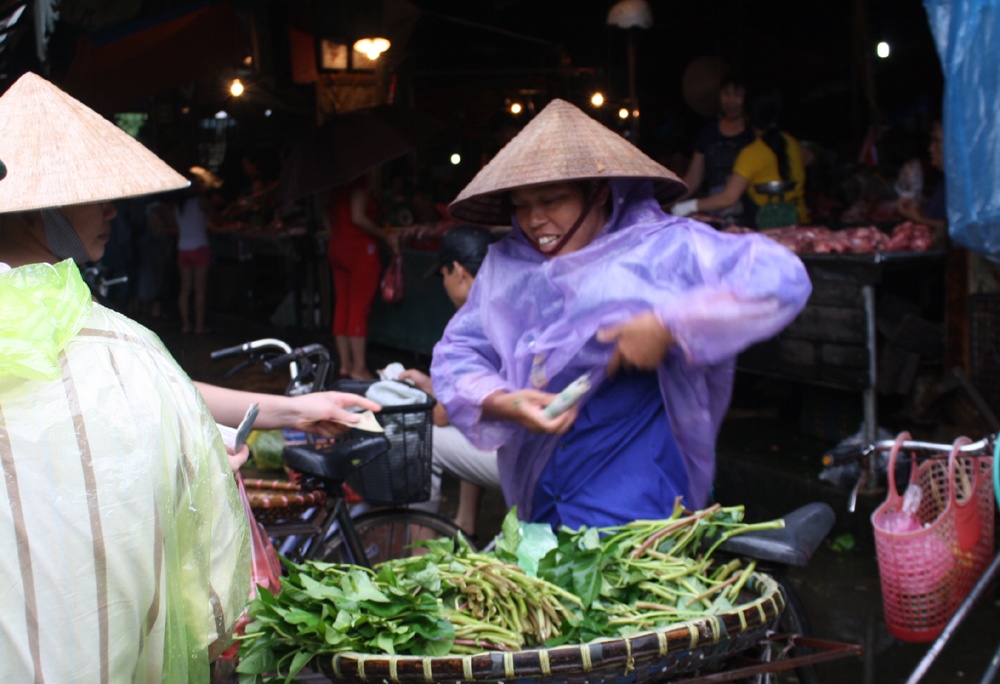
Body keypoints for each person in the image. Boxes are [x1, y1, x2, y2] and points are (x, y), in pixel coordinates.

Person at [0, 72, 380, 682]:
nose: (111, 209)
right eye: (91, 192)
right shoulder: (111, 342)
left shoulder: (103, 339)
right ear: (32, 211)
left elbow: (159, 389)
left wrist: (292, 409)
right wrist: (189, 469)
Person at [430, 98, 811, 530]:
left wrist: (671, 324)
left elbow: (782, 277)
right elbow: (458, 351)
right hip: (540, 495)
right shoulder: (509, 267)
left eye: (551, 200)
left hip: (633, 500)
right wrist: (504, 400)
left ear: (599, 192)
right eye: (521, 205)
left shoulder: (663, 247)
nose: (535, 220)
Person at [397, 225, 501, 538]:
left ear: (457, 270)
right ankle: (465, 522)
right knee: (471, 420)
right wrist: (431, 384)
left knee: (419, 438)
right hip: (540, 437)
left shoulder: (471, 321)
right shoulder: (505, 299)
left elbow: (442, 416)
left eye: (443, 275)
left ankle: (416, 556)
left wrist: (407, 399)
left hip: (523, 452)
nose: (444, 285)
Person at [671, 86, 810, 229]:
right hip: (799, 225)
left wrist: (688, 206)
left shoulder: (751, 154)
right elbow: (810, 158)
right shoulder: (793, 144)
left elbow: (729, 198)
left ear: (747, 116)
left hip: (770, 229)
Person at [326, 172, 399, 380]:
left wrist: (338, 234)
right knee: (358, 307)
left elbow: (326, 212)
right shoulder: (360, 180)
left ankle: (345, 365)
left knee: (343, 304)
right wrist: (383, 235)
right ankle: (359, 368)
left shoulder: (334, 183)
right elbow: (358, 216)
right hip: (358, 249)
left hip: (337, 245)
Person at [676, 71, 754, 211]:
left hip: (748, 209)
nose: (731, 101)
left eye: (738, 95)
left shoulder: (754, 133)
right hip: (714, 209)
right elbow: (693, 179)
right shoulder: (708, 133)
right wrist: (667, 201)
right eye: (726, 94)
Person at [175, 165, 222, 334]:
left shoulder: (178, 204)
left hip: (183, 249)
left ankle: (186, 325)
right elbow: (217, 217)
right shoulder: (201, 201)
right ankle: (199, 326)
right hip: (200, 247)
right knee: (200, 290)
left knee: (185, 289)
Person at [895, 119, 947, 237]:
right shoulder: (944, 184)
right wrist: (915, 207)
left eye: (937, 141)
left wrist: (919, 220)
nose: (931, 148)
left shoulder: (966, 187)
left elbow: (959, 231)